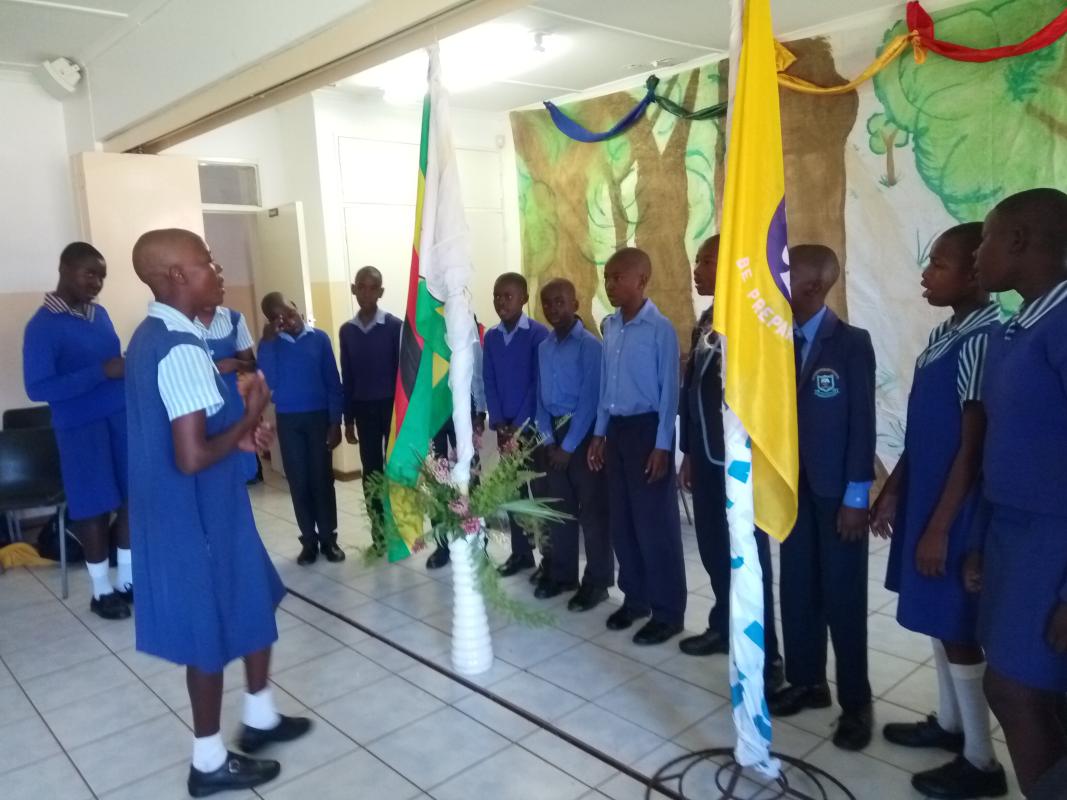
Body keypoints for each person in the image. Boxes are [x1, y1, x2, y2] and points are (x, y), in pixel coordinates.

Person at [126, 229, 310, 797]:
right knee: (206, 634)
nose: (216, 268)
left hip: (215, 508)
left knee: (255, 597)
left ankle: (259, 717)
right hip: (195, 516)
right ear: (177, 276)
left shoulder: (163, 336)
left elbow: (201, 435)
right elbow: (191, 456)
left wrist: (239, 435)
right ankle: (207, 762)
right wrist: (253, 407)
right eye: (206, 261)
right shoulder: (179, 349)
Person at [871, 223, 1007, 799]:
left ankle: (981, 761)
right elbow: (924, 434)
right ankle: (951, 727)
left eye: (939, 266)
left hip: (955, 506)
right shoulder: (945, 333)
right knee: (934, 614)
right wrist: (895, 489)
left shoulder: (985, 337)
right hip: (926, 493)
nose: (926, 275)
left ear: (975, 271)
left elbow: (972, 447)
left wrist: (940, 527)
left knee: (956, 623)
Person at [966, 188, 1067, 799]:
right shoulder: (1016, 330)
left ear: (1020, 242)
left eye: (987, 239)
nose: (979, 253)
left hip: (1052, 535)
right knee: (1028, 688)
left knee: (1013, 688)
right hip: (1011, 529)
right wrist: (981, 540)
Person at [767, 245, 877, 751]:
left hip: (838, 495)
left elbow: (862, 426)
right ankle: (808, 681)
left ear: (811, 287)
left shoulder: (851, 343)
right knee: (797, 589)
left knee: (843, 597)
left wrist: (858, 496)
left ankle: (856, 702)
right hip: (792, 490)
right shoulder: (774, 341)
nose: (776, 280)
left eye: (785, 275)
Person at [677, 235, 784, 689]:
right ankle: (724, 626)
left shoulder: (753, 324)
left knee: (748, 557)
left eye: (706, 262)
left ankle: (768, 654)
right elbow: (691, 393)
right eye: (698, 261)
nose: (697, 270)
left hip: (739, 465)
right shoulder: (706, 322)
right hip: (704, 458)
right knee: (713, 550)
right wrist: (688, 454)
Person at [22, 242, 132, 620]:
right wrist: (100, 372)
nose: (97, 282)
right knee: (94, 508)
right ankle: (101, 590)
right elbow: (38, 388)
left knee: (131, 499)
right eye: (90, 273)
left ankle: (127, 581)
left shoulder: (98, 315)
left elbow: (115, 365)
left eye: (102, 275)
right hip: (80, 428)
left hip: (120, 418)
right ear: (65, 268)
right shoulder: (42, 326)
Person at [587, 247, 686, 645]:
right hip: (617, 431)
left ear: (642, 280)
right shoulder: (610, 327)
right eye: (607, 277)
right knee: (623, 520)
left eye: (618, 277)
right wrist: (599, 433)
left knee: (655, 524)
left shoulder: (660, 330)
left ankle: (668, 611)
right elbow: (605, 387)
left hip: (648, 432)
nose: (610, 284)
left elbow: (669, 394)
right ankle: (636, 598)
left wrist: (663, 445)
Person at [534, 278, 613, 610]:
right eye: (548, 303)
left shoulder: (590, 347)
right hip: (552, 434)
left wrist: (568, 447)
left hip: (582, 435)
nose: (554, 308)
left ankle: (597, 582)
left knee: (592, 512)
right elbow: (540, 396)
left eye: (560, 302)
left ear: (575, 303)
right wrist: (549, 439)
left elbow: (590, 399)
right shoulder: (544, 347)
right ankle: (564, 574)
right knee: (558, 510)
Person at [257, 293, 345, 565]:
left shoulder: (319, 338)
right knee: (299, 480)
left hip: (319, 418)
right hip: (289, 420)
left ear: (296, 306)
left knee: (322, 479)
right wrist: (269, 341)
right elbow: (268, 379)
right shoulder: (270, 345)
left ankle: (329, 538)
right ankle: (309, 540)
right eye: (279, 318)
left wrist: (335, 421)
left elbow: (333, 381)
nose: (289, 321)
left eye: (290, 313)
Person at [482, 272, 550, 578]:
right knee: (514, 492)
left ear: (523, 299)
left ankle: (550, 558)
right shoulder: (492, 337)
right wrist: (498, 422)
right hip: (504, 428)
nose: (501, 302)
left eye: (508, 296)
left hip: (531, 430)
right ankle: (521, 554)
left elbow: (537, 384)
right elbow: (489, 381)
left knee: (539, 492)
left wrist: (519, 426)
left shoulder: (537, 334)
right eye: (497, 296)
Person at [339, 266, 401, 553]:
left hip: (391, 409)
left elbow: (403, 373)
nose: (366, 293)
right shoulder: (347, 331)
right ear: (353, 289)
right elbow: (347, 375)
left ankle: (401, 530)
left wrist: (404, 414)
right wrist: (347, 419)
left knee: (398, 470)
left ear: (381, 292)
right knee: (372, 473)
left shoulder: (393, 326)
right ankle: (379, 533)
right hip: (363, 410)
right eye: (360, 287)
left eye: (372, 287)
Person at [425, 318, 487, 570]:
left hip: (465, 411)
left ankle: (478, 539)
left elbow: (479, 376)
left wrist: (480, 412)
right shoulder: (428, 333)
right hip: (435, 415)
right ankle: (442, 545)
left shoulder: (467, 329)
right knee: (437, 477)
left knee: (470, 478)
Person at [196, 262, 259, 483]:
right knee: (209, 471)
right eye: (216, 284)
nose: (221, 289)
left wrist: (236, 364)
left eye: (222, 284)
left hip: (231, 404)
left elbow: (251, 364)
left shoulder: (233, 319)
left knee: (237, 468)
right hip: (199, 407)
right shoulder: (183, 322)